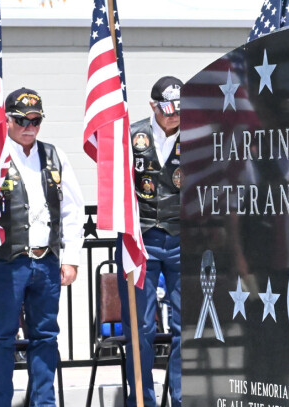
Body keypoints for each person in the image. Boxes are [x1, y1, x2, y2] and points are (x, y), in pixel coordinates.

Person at [0, 88, 85, 406]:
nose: (29, 126)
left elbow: (73, 210)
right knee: (1, 339)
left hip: (47, 262)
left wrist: (71, 258)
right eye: (22, 119)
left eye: (36, 120)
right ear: (7, 119)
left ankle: (43, 403)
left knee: (46, 338)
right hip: (6, 264)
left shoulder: (55, 156)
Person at [116, 76, 182, 407]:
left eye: (180, 108)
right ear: (154, 106)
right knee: (140, 326)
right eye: (168, 108)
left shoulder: (197, 134)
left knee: (188, 324)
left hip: (183, 238)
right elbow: (115, 184)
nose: (175, 115)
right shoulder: (131, 135)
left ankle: (182, 398)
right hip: (140, 239)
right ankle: (142, 399)